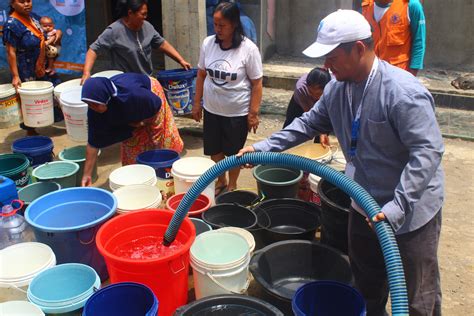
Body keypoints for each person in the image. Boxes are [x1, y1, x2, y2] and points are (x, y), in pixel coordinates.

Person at [238, 10, 443, 316]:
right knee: (367, 285)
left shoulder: (402, 93)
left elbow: (427, 152)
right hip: (362, 204)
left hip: (410, 212)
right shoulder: (337, 88)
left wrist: (397, 207)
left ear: (358, 49)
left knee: (418, 298)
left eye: (331, 56)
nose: (325, 65)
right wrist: (262, 147)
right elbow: (307, 123)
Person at [193, 1, 263, 195]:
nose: (217, 29)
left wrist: (253, 113)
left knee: (234, 153)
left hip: (236, 112)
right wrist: (196, 102)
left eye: (222, 25)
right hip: (212, 109)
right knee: (214, 150)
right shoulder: (208, 43)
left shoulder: (248, 49)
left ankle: (232, 184)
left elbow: (257, 83)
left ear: (234, 24)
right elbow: (201, 74)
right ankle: (220, 180)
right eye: (215, 24)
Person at [80, 73, 184, 187]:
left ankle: (165, 172)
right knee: (132, 144)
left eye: (94, 104)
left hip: (151, 97)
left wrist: (142, 122)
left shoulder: (134, 95)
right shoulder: (95, 104)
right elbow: (93, 142)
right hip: (128, 108)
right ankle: (137, 180)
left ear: (106, 98)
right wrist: (87, 175)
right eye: (88, 104)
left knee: (159, 140)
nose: (92, 107)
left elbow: (156, 104)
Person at [80, 0, 191, 84]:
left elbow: (162, 44)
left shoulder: (147, 27)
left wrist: (181, 60)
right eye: (143, 14)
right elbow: (93, 49)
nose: (145, 17)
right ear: (130, 13)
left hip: (147, 79)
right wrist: (86, 72)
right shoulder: (114, 30)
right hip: (125, 83)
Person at [2, 0, 61, 136]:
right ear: (12, 3)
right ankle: (31, 132)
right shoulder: (12, 25)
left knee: (52, 92)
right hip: (26, 68)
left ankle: (45, 121)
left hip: (41, 62)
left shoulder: (32, 17)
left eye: (28, 0)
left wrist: (57, 33)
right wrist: (16, 76)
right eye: (22, 2)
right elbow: (10, 52)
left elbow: (47, 30)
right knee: (30, 100)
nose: (27, 4)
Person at [361, 0, 426, 76]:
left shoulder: (410, 5)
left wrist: (411, 77)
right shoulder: (366, 6)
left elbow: (418, 42)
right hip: (372, 75)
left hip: (399, 76)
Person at [283, 67, 331, 146]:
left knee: (323, 129)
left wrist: (323, 132)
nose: (315, 97)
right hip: (300, 103)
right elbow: (310, 116)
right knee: (290, 124)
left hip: (324, 102)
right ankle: (282, 150)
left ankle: (318, 151)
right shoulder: (301, 88)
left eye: (318, 94)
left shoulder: (332, 89)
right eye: (311, 92)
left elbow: (325, 115)